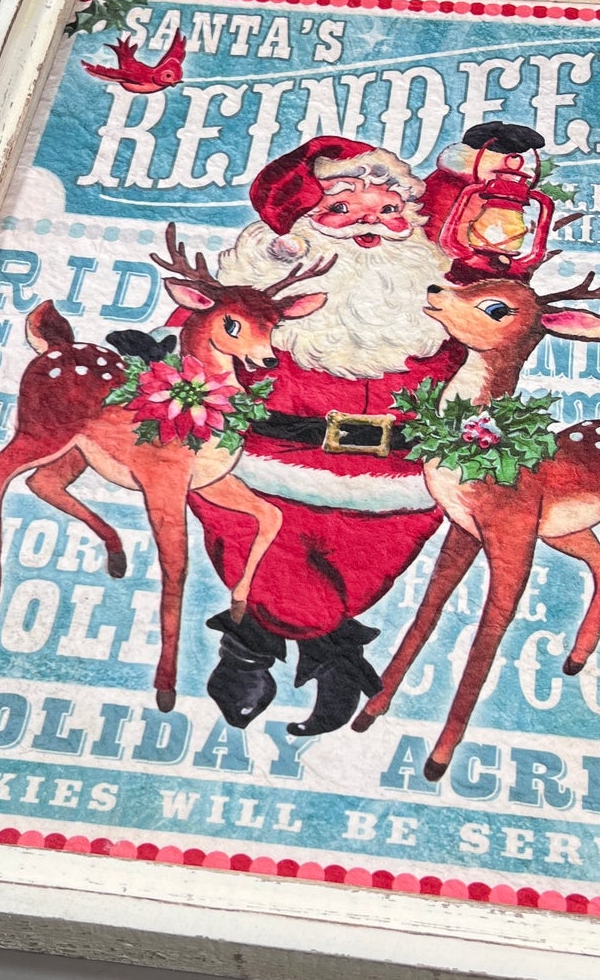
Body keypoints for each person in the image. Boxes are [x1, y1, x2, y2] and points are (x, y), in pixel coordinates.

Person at [190, 136, 465, 736]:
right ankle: (283, 656)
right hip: (265, 469)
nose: (371, 224)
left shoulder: (434, 301)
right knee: (291, 592)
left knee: (355, 587)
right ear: (294, 231)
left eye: (390, 210)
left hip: (396, 489)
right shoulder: (261, 299)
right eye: (341, 209)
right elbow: (201, 351)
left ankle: (276, 650)